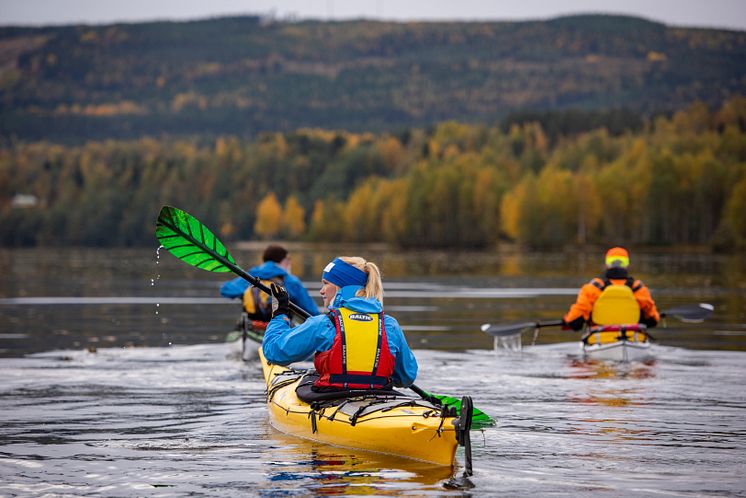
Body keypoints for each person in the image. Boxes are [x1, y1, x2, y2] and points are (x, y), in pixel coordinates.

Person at [262, 256, 418, 391]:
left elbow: (273, 353)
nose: (322, 291)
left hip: (333, 400)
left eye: (326, 283)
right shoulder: (389, 325)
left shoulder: (324, 323)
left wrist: (280, 315)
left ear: (341, 287)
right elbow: (406, 378)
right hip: (378, 399)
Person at [563, 247, 660, 331]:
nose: (616, 263)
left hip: (601, 340)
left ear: (606, 265)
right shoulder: (638, 289)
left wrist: (566, 321)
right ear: (627, 265)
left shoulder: (593, 288)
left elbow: (575, 320)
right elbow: (653, 320)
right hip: (631, 338)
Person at [220, 245, 319, 326]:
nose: (289, 263)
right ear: (284, 261)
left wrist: (244, 293)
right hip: (280, 329)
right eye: (288, 259)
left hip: (252, 325)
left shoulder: (251, 276)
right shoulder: (291, 281)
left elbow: (225, 290)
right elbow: (312, 312)